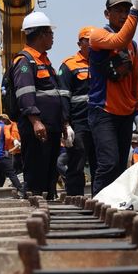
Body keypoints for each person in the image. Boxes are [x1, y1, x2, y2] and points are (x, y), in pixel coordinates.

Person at [88, 0, 138, 195]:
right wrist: (135, 11)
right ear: (107, 14)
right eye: (118, 11)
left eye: (126, 10)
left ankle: (116, 205)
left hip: (125, 113)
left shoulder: (133, 45)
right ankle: (98, 205)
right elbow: (118, 41)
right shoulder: (98, 37)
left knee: (120, 168)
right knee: (108, 163)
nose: (123, 15)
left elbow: (135, 79)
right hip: (103, 112)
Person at [11, 12, 68, 198]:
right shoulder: (25, 61)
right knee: (36, 172)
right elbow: (25, 93)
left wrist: (63, 123)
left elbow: (54, 95)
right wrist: (35, 121)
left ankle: (48, 207)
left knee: (50, 174)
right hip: (38, 128)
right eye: (50, 32)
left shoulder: (44, 61)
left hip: (50, 127)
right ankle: (35, 209)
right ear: (41, 34)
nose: (53, 36)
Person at [59, 26, 97, 195]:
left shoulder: (101, 62)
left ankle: (102, 199)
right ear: (79, 43)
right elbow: (63, 97)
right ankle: (75, 198)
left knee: (101, 163)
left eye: (94, 40)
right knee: (77, 161)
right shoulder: (69, 65)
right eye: (87, 41)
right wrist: (65, 124)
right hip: (79, 123)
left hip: (100, 122)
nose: (91, 44)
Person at [0, 116, 25, 196]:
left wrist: (14, 140)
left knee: (0, 177)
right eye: (7, 122)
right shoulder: (4, 127)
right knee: (11, 173)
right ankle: (22, 192)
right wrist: (10, 146)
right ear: (4, 120)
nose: (8, 124)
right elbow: (8, 137)